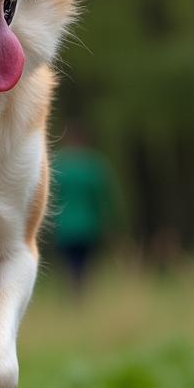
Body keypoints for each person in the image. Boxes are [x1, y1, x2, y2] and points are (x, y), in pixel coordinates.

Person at [49, 119, 119, 296]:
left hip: (64, 225)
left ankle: (72, 293)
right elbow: (103, 199)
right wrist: (108, 223)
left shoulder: (58, 165)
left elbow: (51, 197)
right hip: (89, 225)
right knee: (85, 265)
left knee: (69, 265)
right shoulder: (94, 165)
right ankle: (82, 293)